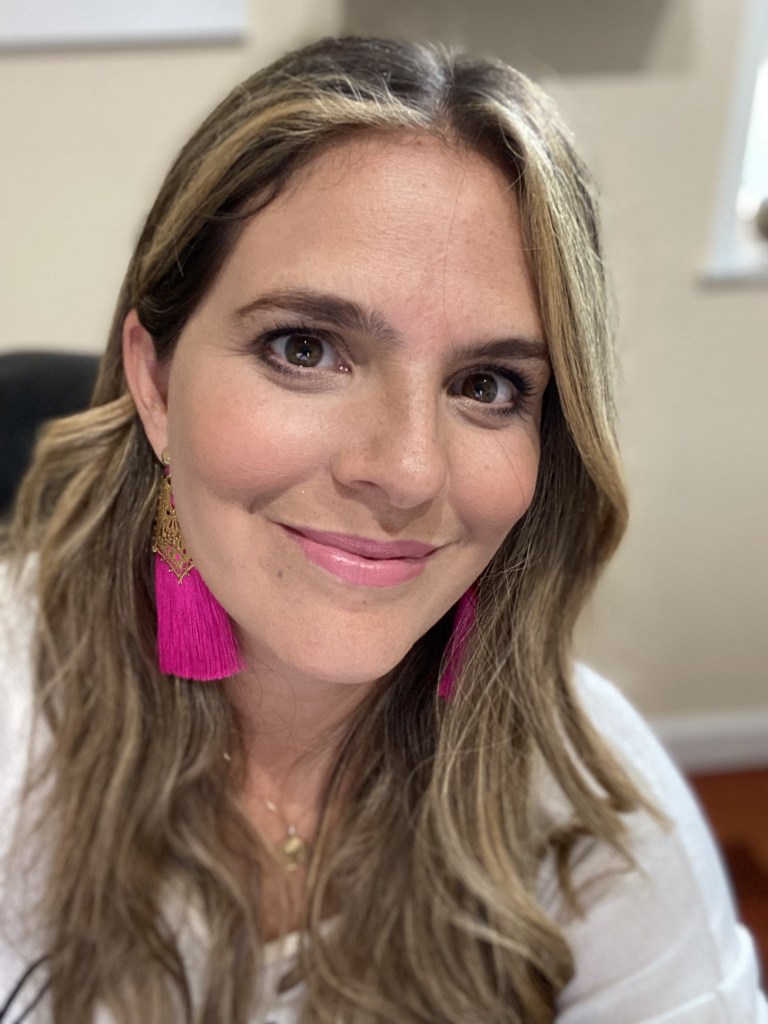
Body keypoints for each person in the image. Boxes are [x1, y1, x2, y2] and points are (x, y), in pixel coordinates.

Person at [0, 35, 765, 1024]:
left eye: (486, 385)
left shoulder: (586, 794)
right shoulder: (21, 709)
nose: (407, 471)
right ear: (154, 380)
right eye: (305, 347)